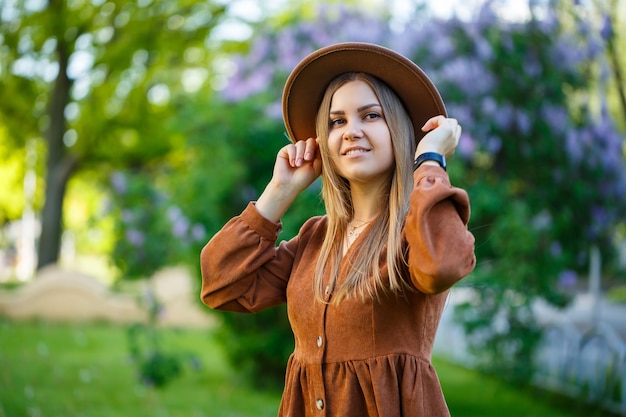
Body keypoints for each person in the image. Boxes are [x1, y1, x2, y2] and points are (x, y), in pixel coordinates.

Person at [200, 42, 476, 417]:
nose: (351, 131)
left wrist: (429, 159)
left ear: (400, 130)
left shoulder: (416, 228)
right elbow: (221, 284)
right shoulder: (314, 239)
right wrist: (279, 192)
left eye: (371, 115)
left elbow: (442, 265)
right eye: (337, 121)